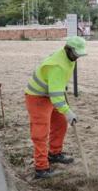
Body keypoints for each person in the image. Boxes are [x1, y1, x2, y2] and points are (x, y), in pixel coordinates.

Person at [25, 36, 87, 179]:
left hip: (51, 93)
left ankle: (54, 153)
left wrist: (65, 111)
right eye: (76, 54)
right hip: (37, 97)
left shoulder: (67, 57)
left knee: (60, 124)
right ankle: (41, 169)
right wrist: (68, 112)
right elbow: (56, 96)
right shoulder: (57, 65)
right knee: (41, 132)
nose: (77, 57)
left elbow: (56, 88)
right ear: (68, 49)